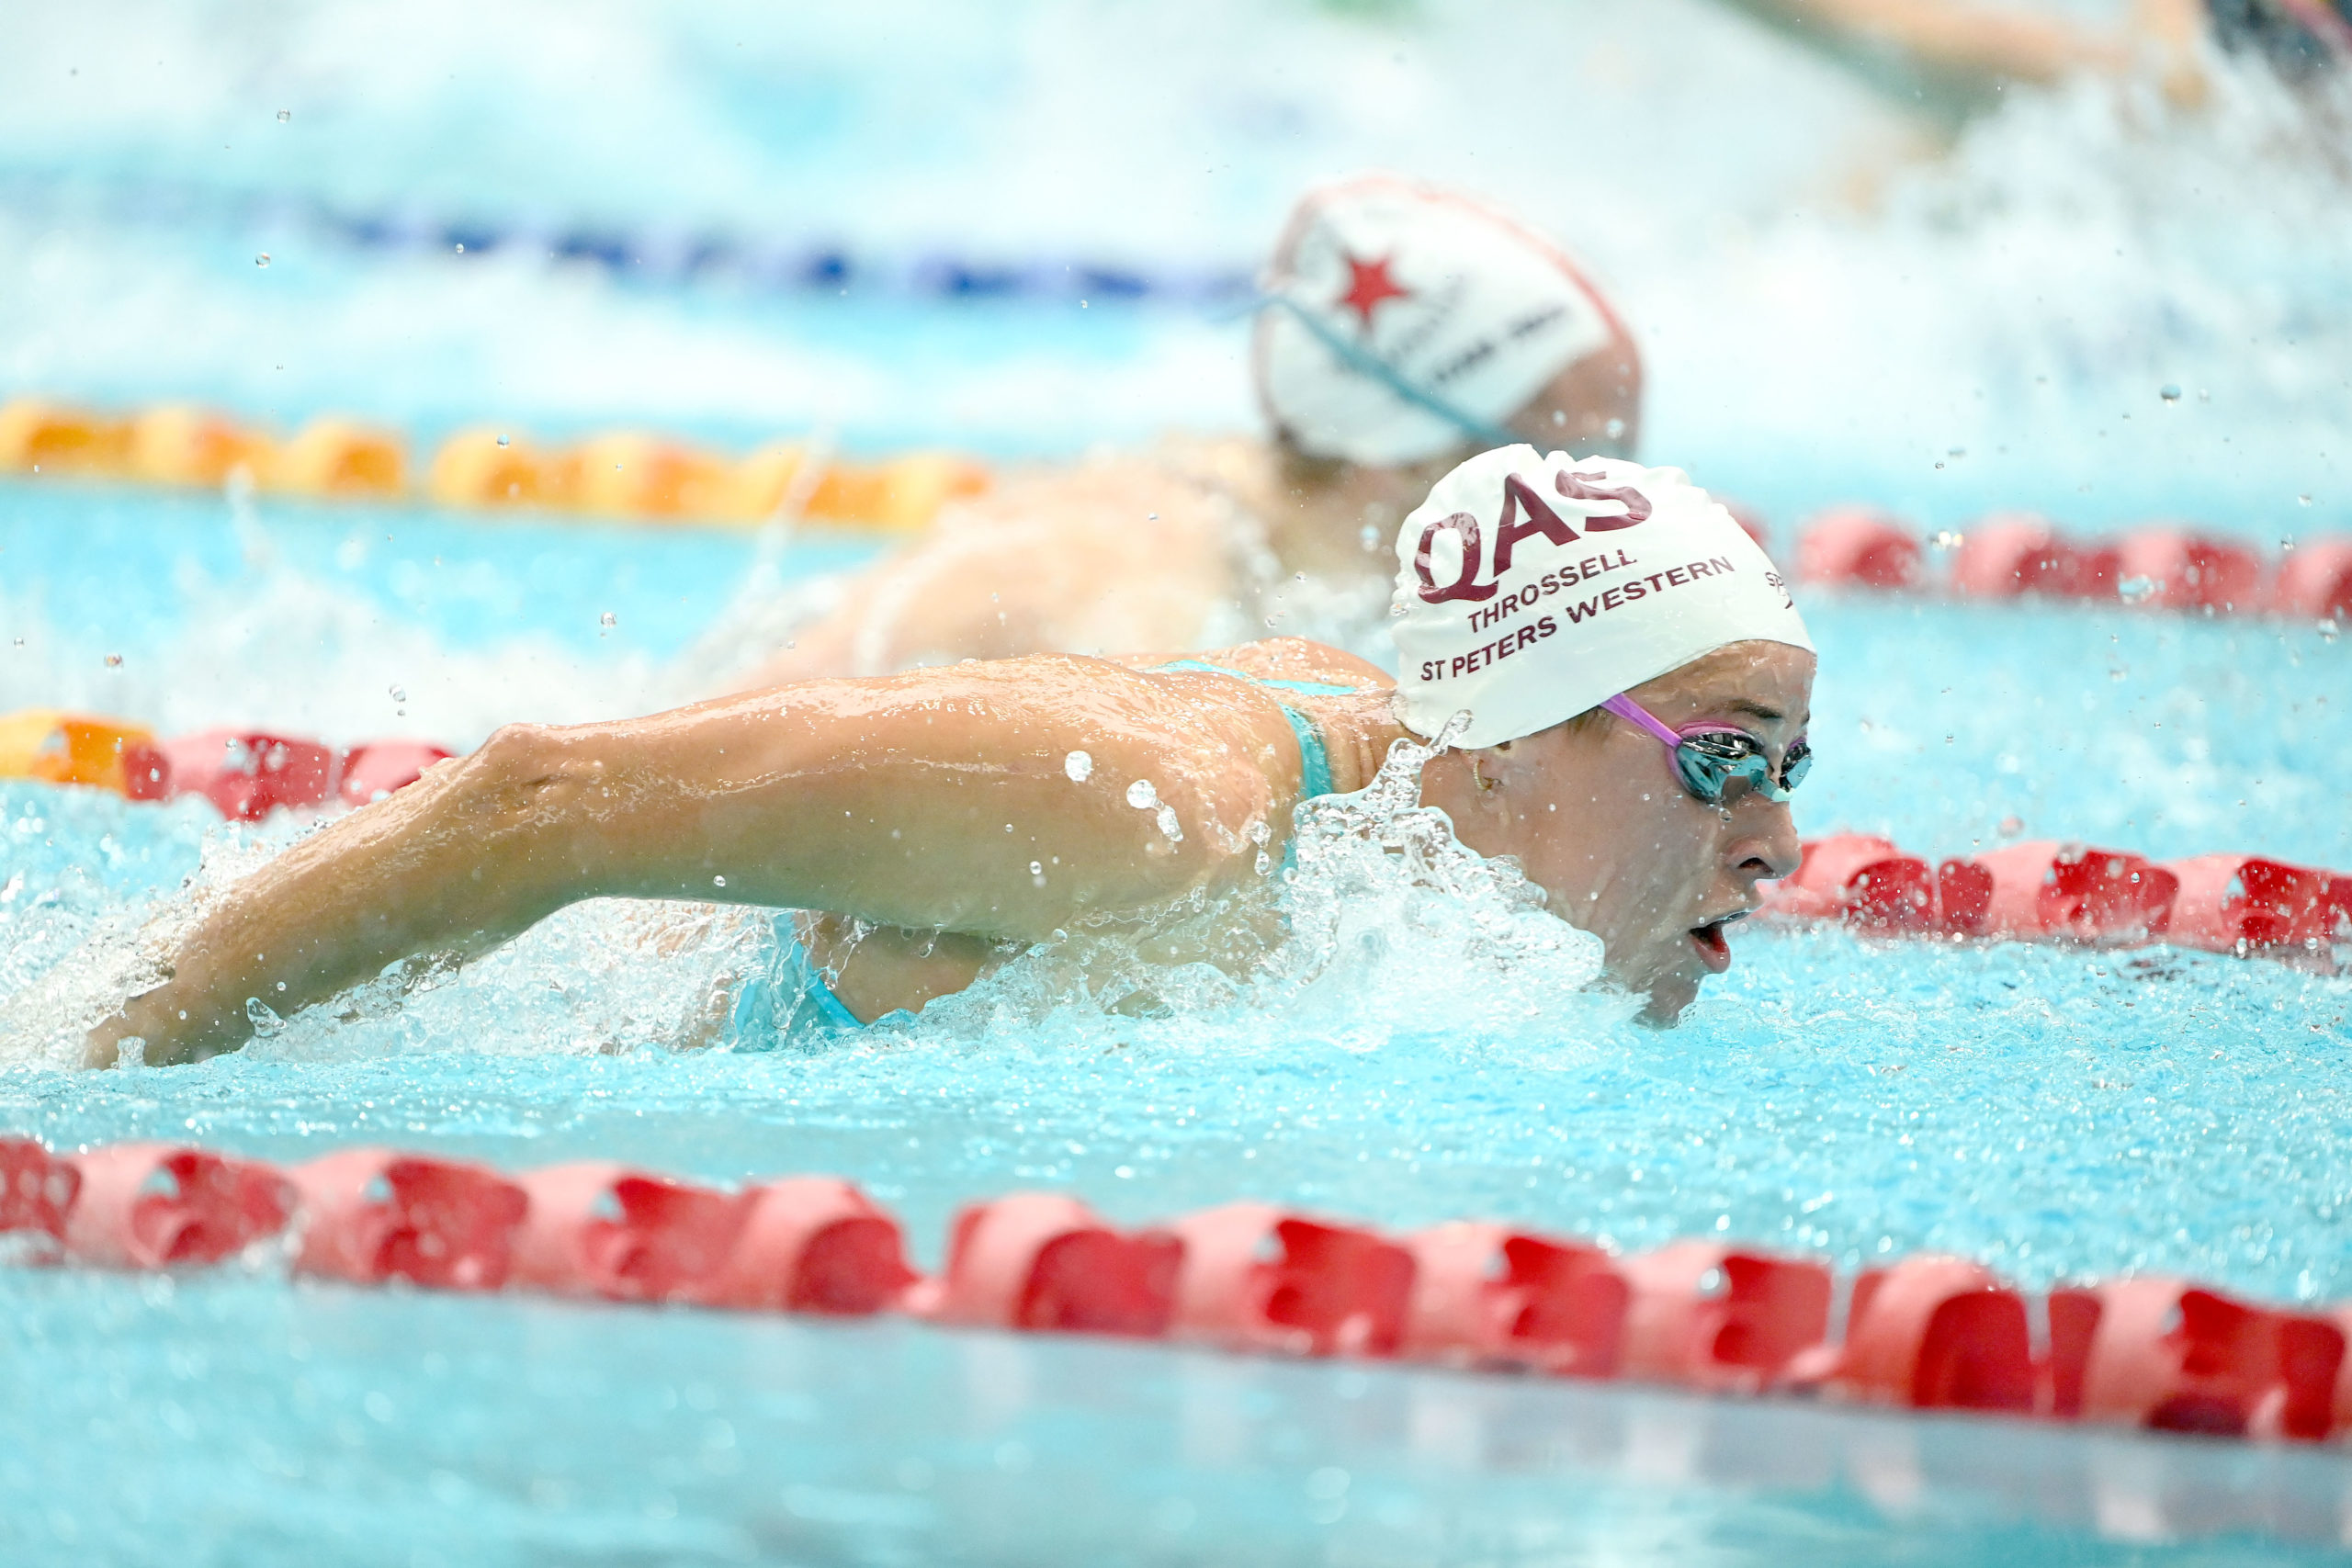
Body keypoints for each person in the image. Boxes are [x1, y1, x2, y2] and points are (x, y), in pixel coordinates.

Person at [81, 447, 1814, 1069]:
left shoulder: (1409, 853)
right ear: (1510, 733)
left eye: (1793, 768)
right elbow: (540, 799)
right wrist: (85, 1070)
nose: (1781, 844)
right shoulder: (1161, 810)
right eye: (1726, 762)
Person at [724, 174, 1643, 686]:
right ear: (1404, 457)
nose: (1589, 510)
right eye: (1569, 463)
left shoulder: (1274, 531)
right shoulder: (1140, 594)